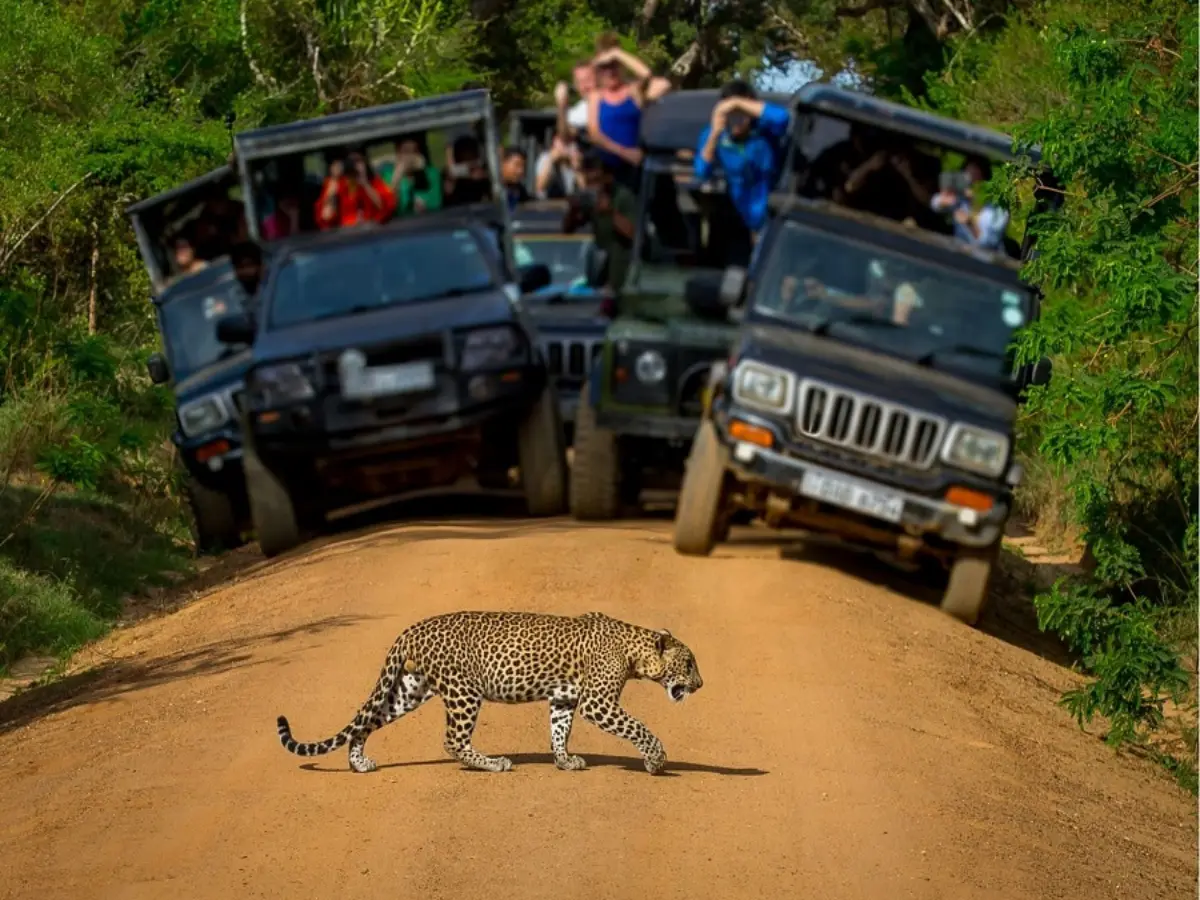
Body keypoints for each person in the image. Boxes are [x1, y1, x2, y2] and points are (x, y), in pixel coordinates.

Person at [694, 79, 791, 235]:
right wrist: (714, 134)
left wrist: (738, 102)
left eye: (742, 113)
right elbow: (701, 171)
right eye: (732, 114)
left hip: (776, 211)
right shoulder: (714, 134)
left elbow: (783, 118)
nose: (737, 121)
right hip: (744, 216)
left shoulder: (764, 129)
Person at [587, 34, 672, 180]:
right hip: (610, 169)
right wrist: (625, 153)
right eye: (605, 67)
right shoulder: (595, 96)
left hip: (638, 165)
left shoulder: (632, 90)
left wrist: (617, 53)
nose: (610, 72)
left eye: (614, 65)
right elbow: (595, 134)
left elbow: (646, 74)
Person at [563, 152, 637, 303]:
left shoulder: (623, 197)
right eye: (589, 181)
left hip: (623, 269)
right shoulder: (591, 198)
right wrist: (573, 210)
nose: (593, 187)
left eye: (596, 181)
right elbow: (567, 230)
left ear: (607, 177)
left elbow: (633, 234)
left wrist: (610, 212)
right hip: (602, 271)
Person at [930, 155, 1009, 250]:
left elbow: (989, 244)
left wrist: (970, 224)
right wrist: (946, 197)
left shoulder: (998, 210)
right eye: (966, 179)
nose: (970, 183)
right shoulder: (961, 200)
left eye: (975, 177)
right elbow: (935, 204)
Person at [314, 151, 396, 230]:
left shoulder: (375, 183)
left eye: (358, 161)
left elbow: (386, 208)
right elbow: (326, 216)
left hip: (371, 232)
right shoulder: (336, 184)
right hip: (346, 234)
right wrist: (335, 180)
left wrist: (364, 183)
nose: (354, 165)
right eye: (350, 162)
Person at [391, 137, 443, 214]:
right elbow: (391, 208)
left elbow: (435, 203)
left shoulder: (431, 173)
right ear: (398, 154)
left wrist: (420, 172)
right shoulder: (388, 176)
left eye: (415, 151)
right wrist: (397, 177)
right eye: (406, 152)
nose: (411, 156)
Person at [443, 135, 492, 206]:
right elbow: (447, 193)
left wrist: (481, 176)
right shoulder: (451, 178)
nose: (469, 164)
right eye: (465, 159)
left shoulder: (484, 176)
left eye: (471, 157)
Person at [555, 59, 596, 140]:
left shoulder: (613, 102)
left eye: (588, 80)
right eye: (580, 82)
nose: (584, 86)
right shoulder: (577, 112)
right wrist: (561, 104)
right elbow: (565, 137)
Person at [534, 132, 581, 199]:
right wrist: (551, 160)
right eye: (564, 142)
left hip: (567, 202)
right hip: (547, 203)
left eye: (569, 143)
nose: (566, 146)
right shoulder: (546, 157)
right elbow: (539, 187)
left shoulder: (571, 160)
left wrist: (577, 167)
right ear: (555, 141)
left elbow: (583, 187)